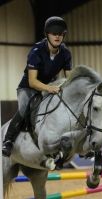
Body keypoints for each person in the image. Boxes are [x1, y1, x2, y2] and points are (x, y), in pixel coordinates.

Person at [2, 16, 72, 157]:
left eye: (60, 33)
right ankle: (8, 141)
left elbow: (69, 78)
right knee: (24, 108)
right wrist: (49, 88)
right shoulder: (36, 51)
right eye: (54, 33)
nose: (57, 36)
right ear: (47, 34)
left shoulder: (65, 53)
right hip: (28, 87)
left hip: (51, 85)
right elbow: (32, 82)